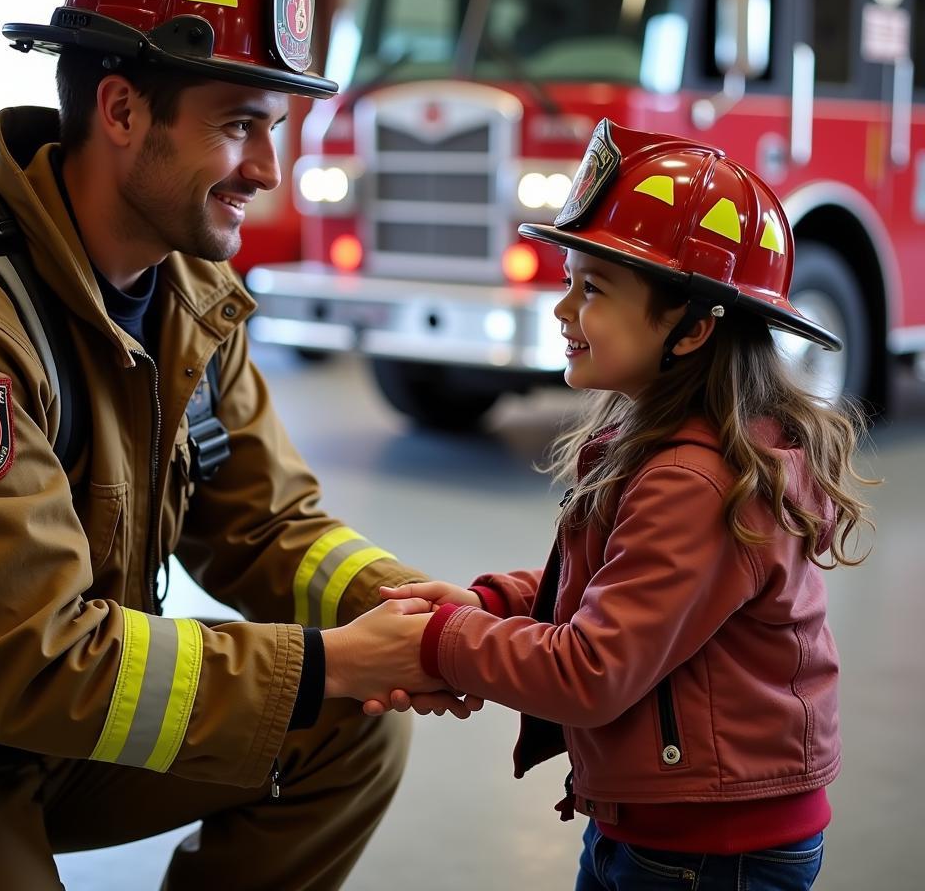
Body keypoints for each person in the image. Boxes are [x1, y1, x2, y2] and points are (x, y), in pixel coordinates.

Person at [0, 0, 472, 890]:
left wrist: (416, 617)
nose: (268, 170)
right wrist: (336, 662)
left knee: (350, 733)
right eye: (239, 126)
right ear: (122, 112)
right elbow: (28, 660)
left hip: (47, 729)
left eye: (275, 128)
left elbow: (266, 526)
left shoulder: (186, 297)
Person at [366, 118, 874, 890]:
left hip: (709, 854)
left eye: (593, 289)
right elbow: (618, 588)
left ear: (695, 327)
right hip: (669, 826)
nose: (564, 310)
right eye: (569, 280)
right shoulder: (669, 446)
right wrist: (487, 604)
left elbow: (592, 668)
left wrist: (445, 640)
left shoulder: (696, 483)